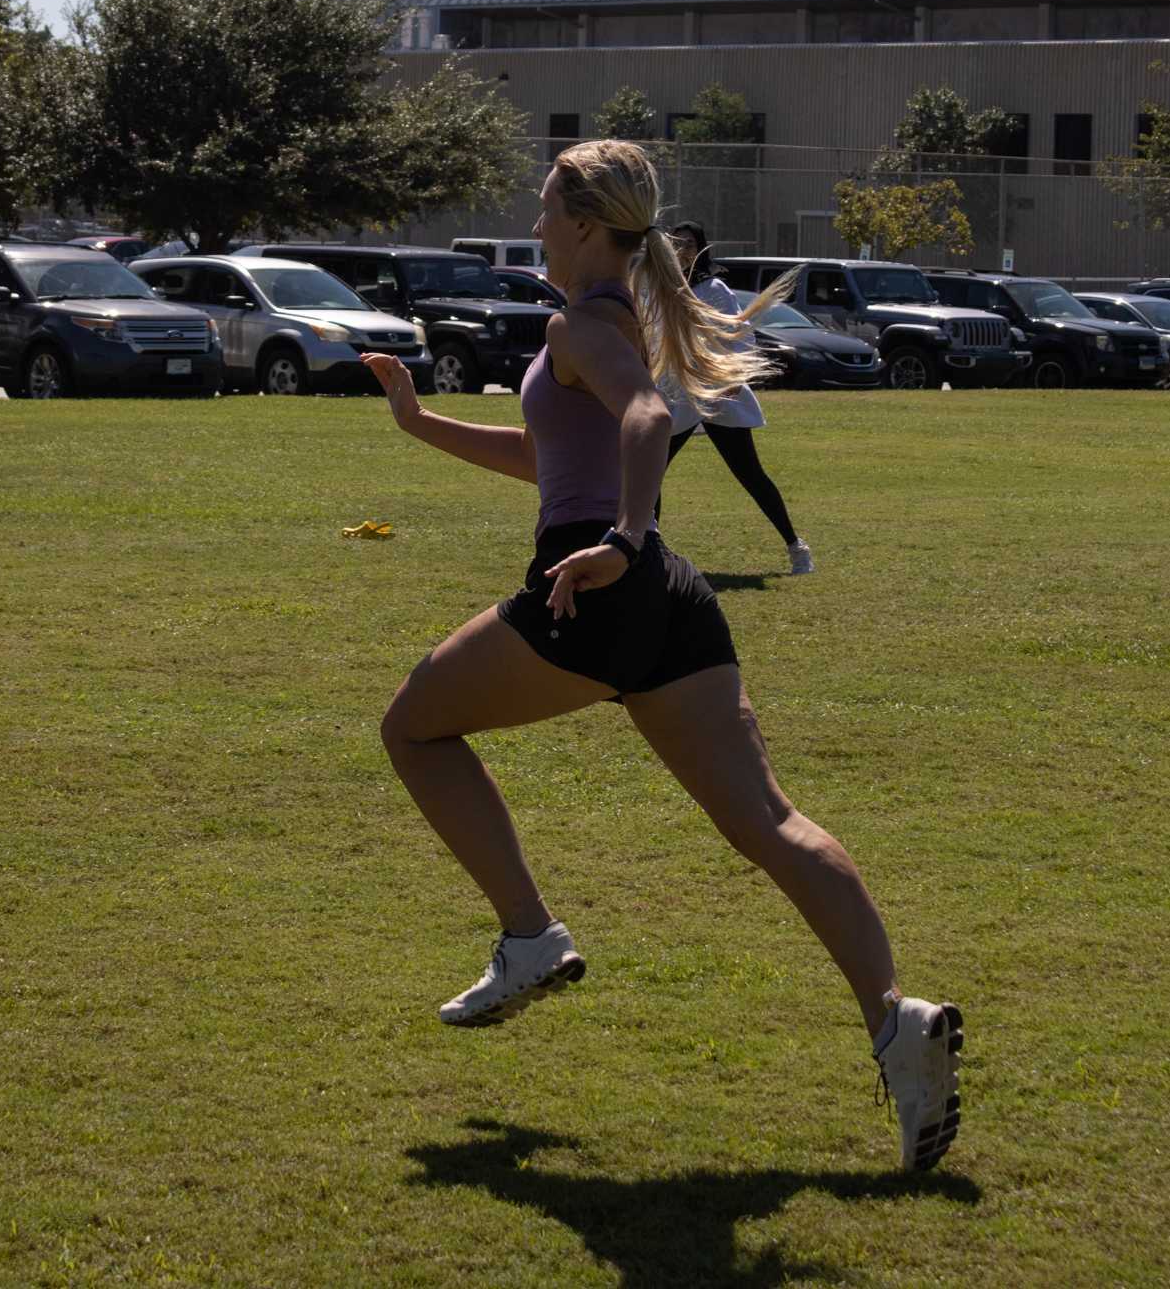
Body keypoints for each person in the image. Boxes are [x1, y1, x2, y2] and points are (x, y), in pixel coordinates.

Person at [362, 139, 962, 1174]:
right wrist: (419, 424)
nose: (536, 223)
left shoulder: (581, 325)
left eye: (546, 208)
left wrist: (623, 540)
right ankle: (897, 1022)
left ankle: (531, 937)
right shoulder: (611, 322)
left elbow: (644, 419)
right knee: (770, 824)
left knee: (412, 726)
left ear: (588, 224)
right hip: (665, 597)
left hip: (595, 582)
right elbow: (551, 458)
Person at [660, 222, 814, 576]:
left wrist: (732, 379)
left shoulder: (713, 289)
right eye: (676, 243)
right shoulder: (666, 289)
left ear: (700, 247)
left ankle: (796, 546)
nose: (681, 249)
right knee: (650, 474)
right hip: (680, 394)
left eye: (688, 243)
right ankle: (648, 552)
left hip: (718, 394)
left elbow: (739, 335)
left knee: (749, 474)